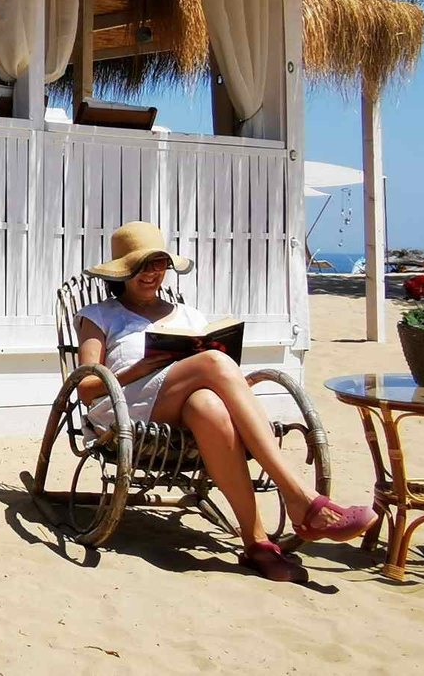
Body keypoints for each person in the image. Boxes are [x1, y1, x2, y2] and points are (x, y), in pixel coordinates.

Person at [77, 221, 375, 583]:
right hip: (125, 409)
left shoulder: (188, 316)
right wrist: (137, 369)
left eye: (158, 264)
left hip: (181, 406)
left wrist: (229, 382)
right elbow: (86, 388)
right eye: (140, 266)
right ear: (123, 271)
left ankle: (257, 544)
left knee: (209, 405)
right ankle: (300, 497)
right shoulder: (100, 316)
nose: (151, 273)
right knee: (215, 363)